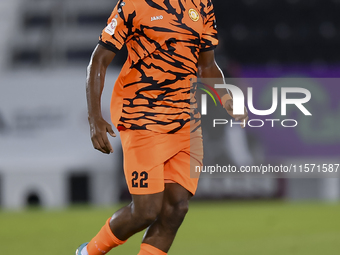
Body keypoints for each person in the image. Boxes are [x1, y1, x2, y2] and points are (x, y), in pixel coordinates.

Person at [76, 0, 248, 255]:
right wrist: (94, 118)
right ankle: (88, 252)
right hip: (142, 114)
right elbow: (98, 60)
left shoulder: (202, 5)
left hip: (185, 120)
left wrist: (226, 97)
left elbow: (208, 65)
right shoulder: (133, 4)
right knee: (145, 211)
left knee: (176, 207)